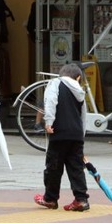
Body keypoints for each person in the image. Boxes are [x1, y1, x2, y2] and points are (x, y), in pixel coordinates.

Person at [33, 63, 90, 212]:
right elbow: (83, 115)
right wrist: (81, 135)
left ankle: (50, 199)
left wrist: (49, 122)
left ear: (62, 75)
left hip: (59, 133)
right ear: (78, 77)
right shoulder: (80, 91)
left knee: (53, 167)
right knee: (76, 168)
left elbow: (51, 102)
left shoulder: (56, 83)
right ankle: (81, 199)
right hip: (76, 135)